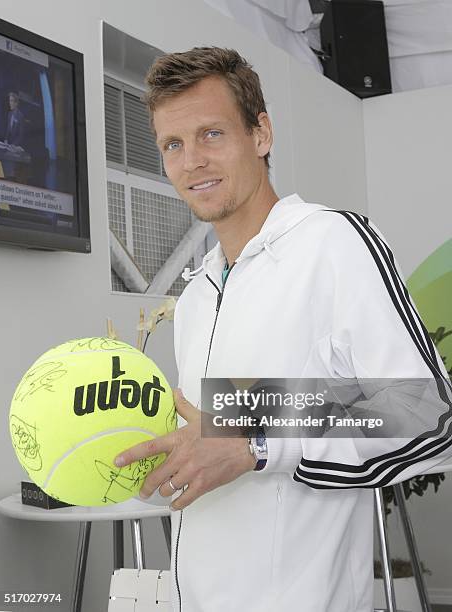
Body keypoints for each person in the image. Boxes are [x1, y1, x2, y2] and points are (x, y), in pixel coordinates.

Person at [114, 47, 452, 611]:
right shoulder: (197, 293)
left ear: (261, 134)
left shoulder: (333, 243)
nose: (191, 160)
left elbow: (430, 416)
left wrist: (258, 444)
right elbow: (219, 433)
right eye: (173, 144)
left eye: (212, 134)